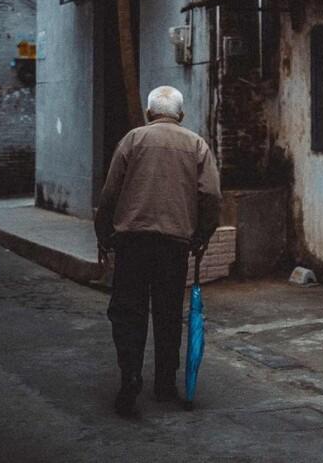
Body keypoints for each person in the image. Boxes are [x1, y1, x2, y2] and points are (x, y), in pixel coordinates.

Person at [94, 85, 221, 417]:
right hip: (174, 246)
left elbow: (109, 194)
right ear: (180, 115)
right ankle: (165, 383)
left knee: (128, 312)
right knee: (167, 314)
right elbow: (210, 195)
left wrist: (103, 234)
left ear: (150, 113)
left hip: (132, 244)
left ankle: (131, 375)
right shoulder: (196, 144)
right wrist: (202, 235)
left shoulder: (132, 140)